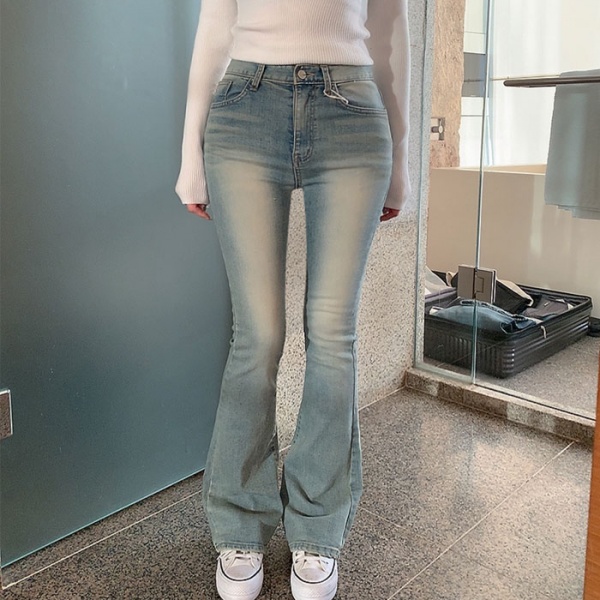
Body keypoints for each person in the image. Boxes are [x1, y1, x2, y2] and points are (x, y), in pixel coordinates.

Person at [175, 1, 410, 599]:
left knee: (332, 335)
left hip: (352, 110)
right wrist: (190, 152)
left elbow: (389, 29)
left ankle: (317, 530)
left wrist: (402, 162)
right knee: (257, 337)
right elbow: (215, 24)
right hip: (244, 105)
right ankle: (239, 525)